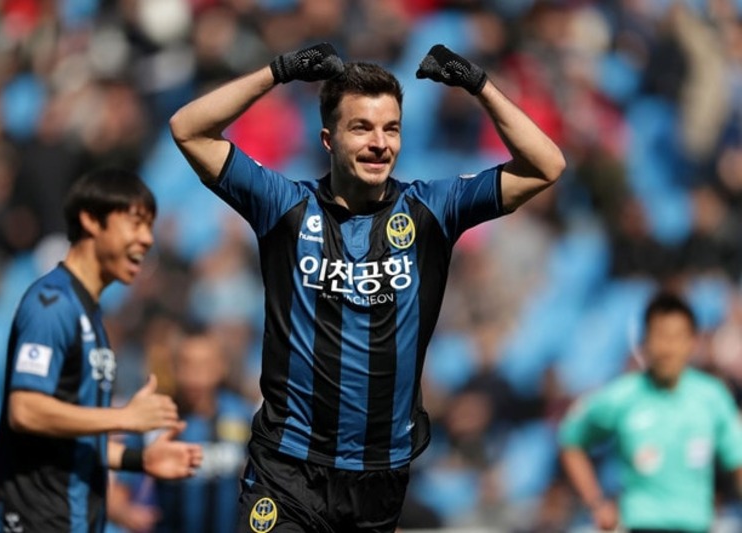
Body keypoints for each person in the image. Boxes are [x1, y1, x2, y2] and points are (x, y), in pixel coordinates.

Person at [169, 42, 565, 532]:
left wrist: (477, 84)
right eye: (361, 127)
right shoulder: (284, 206)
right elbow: (187, 129)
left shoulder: (432, 210)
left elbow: (546, 165)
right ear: (328, 139)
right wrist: (279, 72)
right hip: (289, 470)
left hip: (380, 476)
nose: (380, 143)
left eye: (391, 128)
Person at [0, 168, 203, 533]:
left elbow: (66, 438)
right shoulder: (52, 304)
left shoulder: (91, 316)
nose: (147, 239)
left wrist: (139, 459)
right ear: (90, 219)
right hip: (34, 523)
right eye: (136, 223)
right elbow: (25, 410)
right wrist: (124, 418)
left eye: (150, 227)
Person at [559, 291, 742, 533]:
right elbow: (571, 439)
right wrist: (596, 503)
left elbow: (737, 459)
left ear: (692, 342)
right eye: (661, 336)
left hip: (696, 526)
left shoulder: (712, 396)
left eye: (677, 337)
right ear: (645, 343)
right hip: (640, 525)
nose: (668, 348)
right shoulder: (623, 395)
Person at [108, 324, 254, 533]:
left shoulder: (242, 416)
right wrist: (127, 514)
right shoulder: (156, 420)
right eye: (187, 364)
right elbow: (117, 496)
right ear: (174, 368)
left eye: (205, 365)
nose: (196, 375)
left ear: (222, 366)